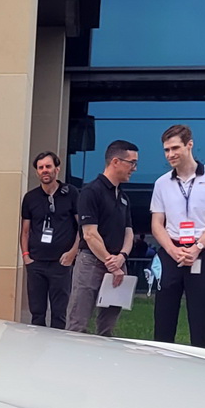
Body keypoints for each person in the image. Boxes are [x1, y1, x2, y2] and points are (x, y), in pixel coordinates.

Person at [148, 125, 205, 348]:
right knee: (163, 318)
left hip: (202, 252)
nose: (170, 154)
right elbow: (157, 224)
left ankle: (201, 371)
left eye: (175, 148)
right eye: (166, 150)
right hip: (171, 252)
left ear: (189, 145)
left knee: (200, 318)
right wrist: (173, 250)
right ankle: (163, 365)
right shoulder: (162, 183)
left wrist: (197, 248)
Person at [65, 141, 138, 336]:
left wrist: (121, 257)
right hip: (91, 262)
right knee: (78, 324)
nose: (134, 168)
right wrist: (110, 262)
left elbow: (128, 233)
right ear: (116, 161)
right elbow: (89, 234)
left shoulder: (123, 197)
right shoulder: (91, 192)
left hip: (117, 265)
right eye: (132, 163)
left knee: (108, 327)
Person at [19, 151, 79, 330]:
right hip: (36, 263)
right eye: (41, 167)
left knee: (59, 314)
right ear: (37, 172)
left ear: (57, 169)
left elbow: (82, 228)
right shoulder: (30, 198)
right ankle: (36, 352)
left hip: (60, 263)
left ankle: (56, 353)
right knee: (37, 313)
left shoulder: (71, 193)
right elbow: (25, 231)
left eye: (48, 166)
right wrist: (26, 256)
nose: (45, 170)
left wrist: (72, 254)